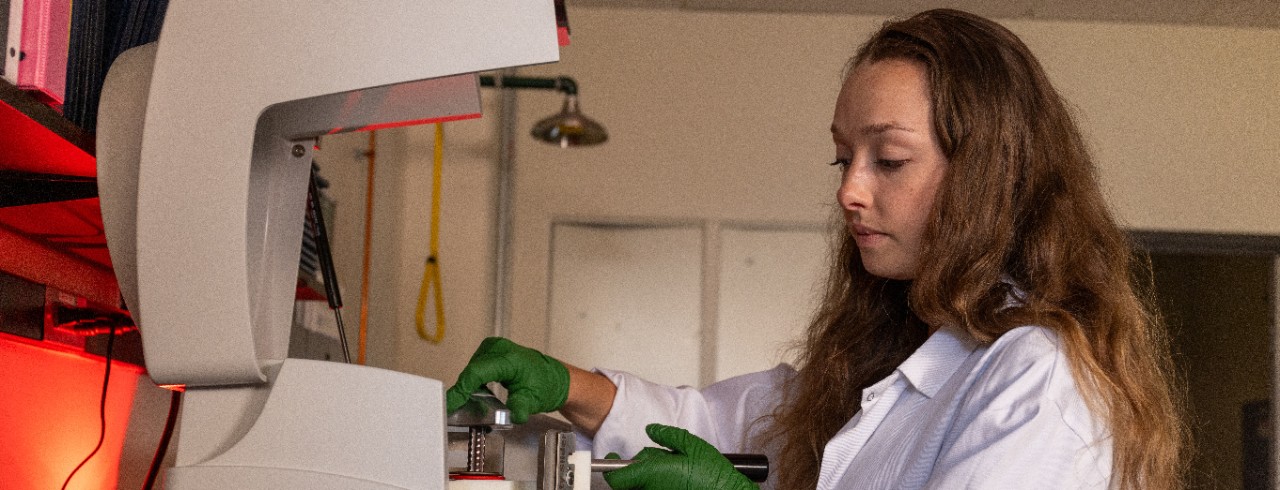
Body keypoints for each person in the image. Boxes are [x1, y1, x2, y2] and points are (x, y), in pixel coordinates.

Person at [446, 8, 1186, 489]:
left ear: (990, 174)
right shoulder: (903, 349)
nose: (849, 191)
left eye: (888, 160)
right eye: (843, 159)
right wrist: (566, 384)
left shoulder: (1037, 380)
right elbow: (725, 427)